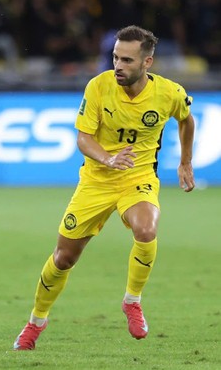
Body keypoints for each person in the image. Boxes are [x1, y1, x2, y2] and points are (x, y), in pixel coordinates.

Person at [13, 25, 195, 351]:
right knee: (63, 258)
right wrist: (108, 159)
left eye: (127, 60)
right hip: (96, 181)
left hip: (137, 177)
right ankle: (36, 322)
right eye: (115, 58)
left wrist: (185, 162)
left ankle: (132, 301)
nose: (118, 66)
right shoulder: (98, 86)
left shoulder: (169, 93)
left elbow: (186, 119)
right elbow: (83, 138)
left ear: (147, 62)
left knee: (146, 229)